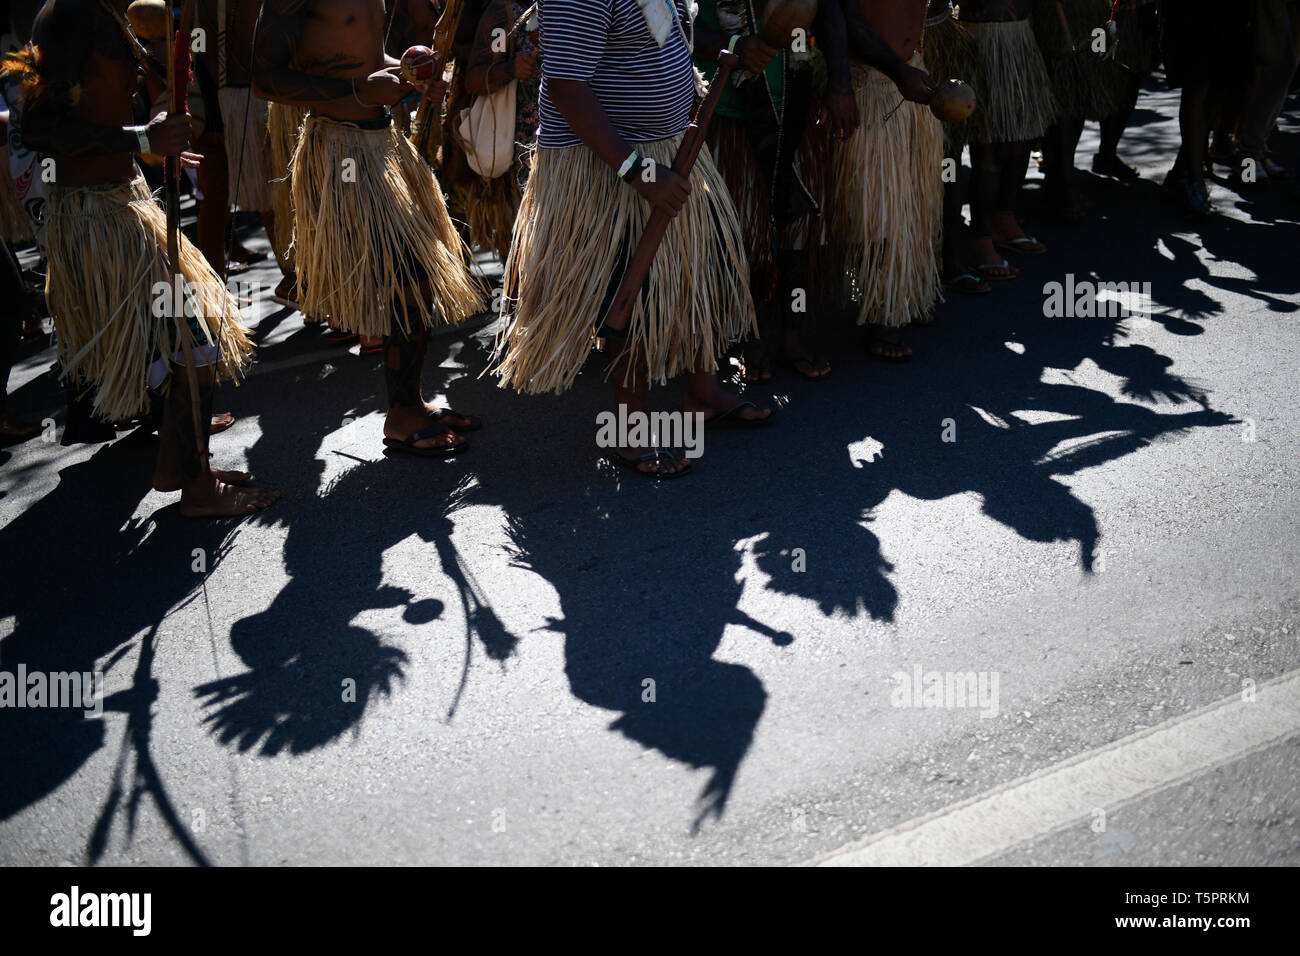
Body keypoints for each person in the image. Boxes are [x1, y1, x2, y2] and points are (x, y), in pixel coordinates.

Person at [11, 0, 277, 515]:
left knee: (187, 343)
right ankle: (197, 489)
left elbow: (151, 89)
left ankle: (182, 465)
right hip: (99, 221)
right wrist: (140, 138)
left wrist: (162, 121)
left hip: (127, 205)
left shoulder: (118, 13)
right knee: (194, 344)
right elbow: (38, 126)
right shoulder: (67, 14)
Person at [491, 0, 771, 478]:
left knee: (696, 268)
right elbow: (564, 84)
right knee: (632, 286)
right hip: (608, 163)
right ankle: (628, 426)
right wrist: (634, 171)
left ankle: (703, 394)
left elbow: (666, 34)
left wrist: (730, 45)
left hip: (667, 148)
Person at [253, 0, 485, 457]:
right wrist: (360, 88)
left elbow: (364, 58)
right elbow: (264, 80)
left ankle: (412, 403)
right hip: (341, 152)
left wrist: (406, 73)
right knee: (411, 280)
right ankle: (401, 416)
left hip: (381, 144)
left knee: (415, 281)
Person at [694, 0, 831, 382]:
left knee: (802, 230)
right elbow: (670, 29)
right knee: (744, 234)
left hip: (798, 100)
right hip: (729, 108)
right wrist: (733, 45)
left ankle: (793, 331)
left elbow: (829, 11)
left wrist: (840, 83)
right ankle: (747, 335)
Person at [821, 0, 941, 360]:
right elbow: (840, 13)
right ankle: (884, 309)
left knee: (915, 202)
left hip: (912, 73)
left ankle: (908, 292)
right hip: (871, 83)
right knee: (880, 206)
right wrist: (842, 84)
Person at [957, 0, 1057, 280]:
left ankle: (1005, 220)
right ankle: (981, 241)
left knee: (1020, 140)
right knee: (988, 147)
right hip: (983, 38)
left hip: (1020, 37)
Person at [1033, 0, 1131, 224]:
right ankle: (1063, 184)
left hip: (1086, 16)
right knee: (1063, 100)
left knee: (1076, 100)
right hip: (1055, 20)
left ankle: (1061, 180)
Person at [461, 0, 540, 262]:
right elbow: (474, 78)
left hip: (567, 146)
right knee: (527, 248)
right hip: (521, 154)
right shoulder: (503, 14)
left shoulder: (563, 7)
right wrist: (510, 69)